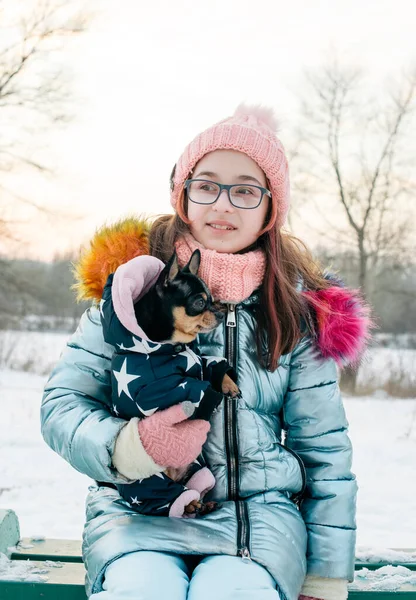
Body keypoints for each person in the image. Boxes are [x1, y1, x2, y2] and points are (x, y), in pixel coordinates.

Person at [41, 104, 370, 600]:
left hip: (256, 527)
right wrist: (125, 447)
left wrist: (324, 573)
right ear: (183, 195)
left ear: (269, 209)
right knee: (141, 591)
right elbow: (62, 405)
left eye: (245, 190)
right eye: (207, 184)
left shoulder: (296, 312)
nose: (223, 204)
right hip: (139, 510)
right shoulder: (132, 296)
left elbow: (323, 450)